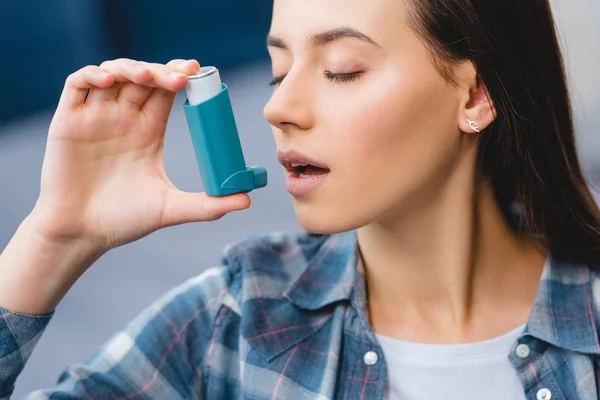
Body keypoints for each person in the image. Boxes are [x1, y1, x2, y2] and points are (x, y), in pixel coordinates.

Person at [1, 0, 599, 398]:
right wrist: (56, 237)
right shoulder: (238, 319)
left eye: (341, 70)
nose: (276, 108)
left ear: (474, 95)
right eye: (278, 71)